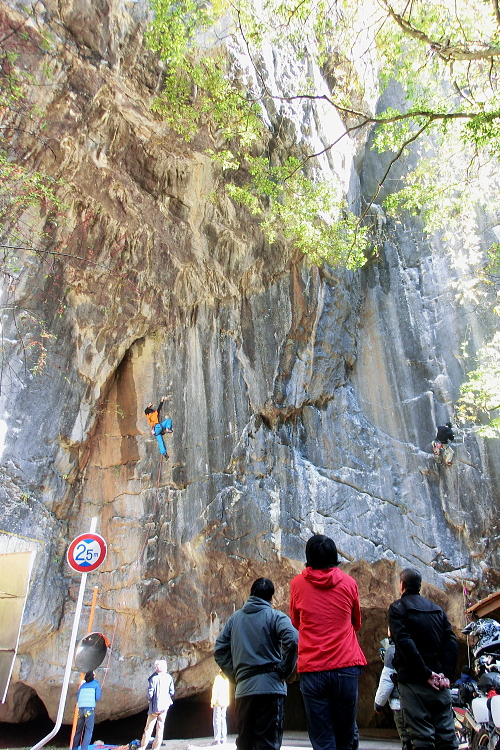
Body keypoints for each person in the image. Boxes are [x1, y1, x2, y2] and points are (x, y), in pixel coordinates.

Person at [289, 534, 367, 750]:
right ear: (334, 556)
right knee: (346, 736)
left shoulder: (297, 584)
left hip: (313, 668)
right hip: (346, 666)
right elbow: (356, 621)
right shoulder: (349, 583)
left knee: (322, 738)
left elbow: (296, 621)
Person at [214, 577, 298, 750]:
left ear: (251, 594)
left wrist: (236, 676)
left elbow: (219, 650)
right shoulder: (275, 616)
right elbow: (293, 639)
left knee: (245, 743)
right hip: (270, 690)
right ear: (271, 598)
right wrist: (284, 670)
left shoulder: (235, 619)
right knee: (267, 743)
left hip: (244, 691)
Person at [388, 568, 458, 750]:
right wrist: (445, 674)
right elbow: (450, 641)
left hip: (413, 681)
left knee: (421, 737)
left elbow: (404, 642)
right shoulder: (438, 611)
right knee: (447, 737)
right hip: (439, 682)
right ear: (420, 586)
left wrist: (425, 673)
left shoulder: (397, 608)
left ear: (401, 585)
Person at [374, 635, 411, 750]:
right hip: (419, 702)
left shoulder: (392, 652)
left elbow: (386, 681)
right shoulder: (420, 645)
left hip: (400, 703)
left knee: (407, 739)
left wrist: (378, 704)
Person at [139, 659, 175, 750]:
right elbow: (172, 692)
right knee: (160, 728)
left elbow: (150, 694)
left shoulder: (153, 678)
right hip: (165, 707)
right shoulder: (169, 677)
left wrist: (149, 699)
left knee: (149, 728)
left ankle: (143, 746)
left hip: (155, 708)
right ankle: (156, 747)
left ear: (158, 668)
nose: (154, 668)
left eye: (156, 666)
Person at [72, 670, 101, 750]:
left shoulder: (82, 685)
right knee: (88, 730)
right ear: (93, 676)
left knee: (79, 730)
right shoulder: (96, 684)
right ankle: (84, 748)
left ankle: (74, 748)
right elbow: (98, 697)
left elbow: (77, 698)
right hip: (89, 710)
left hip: (80, 710)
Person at [211, 668, 230, 745]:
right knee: (223, 720)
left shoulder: (218, 678)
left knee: (217, 720)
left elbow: (215, 691)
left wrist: (212, 702)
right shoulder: (227, 679)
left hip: (218, 702)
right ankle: (223, 738)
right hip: (225, 702)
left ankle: (217, 739)